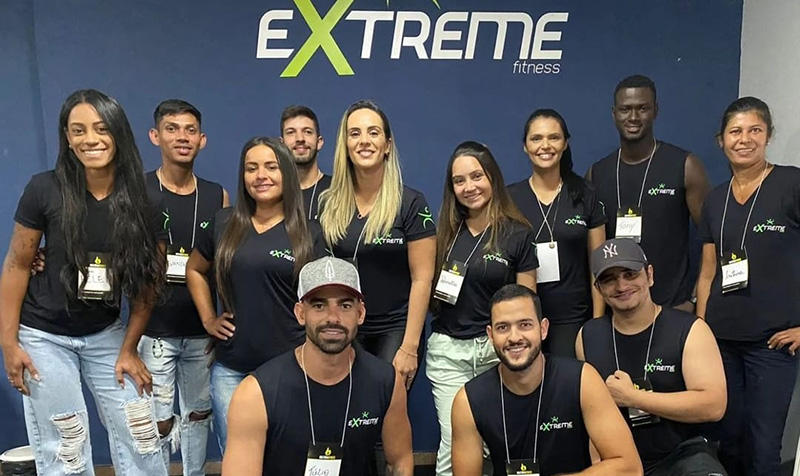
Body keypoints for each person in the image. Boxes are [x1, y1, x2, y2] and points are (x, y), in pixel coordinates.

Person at [0, 89, 168, 476]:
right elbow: (17, 264)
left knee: (141, 431)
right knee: (67, 443)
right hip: (43, 335)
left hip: (106, 332)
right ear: (66, 137)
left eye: (100, 128)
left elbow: (147, 287)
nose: (89, 139)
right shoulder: (45, 188)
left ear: (119, 133)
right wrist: (9, 343)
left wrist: (128, 349)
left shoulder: (146, 200)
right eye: (78, 130)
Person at [186, 136, 321, 452]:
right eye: (251, 168)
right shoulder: (223, 223)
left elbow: (321, 298)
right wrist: (208, 318)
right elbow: (194, 269)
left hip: (293, 369)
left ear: (286, 173)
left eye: (271, 167)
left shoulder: (310, 232)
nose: (261, 176)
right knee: (237, 458)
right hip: (232, 369)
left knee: (290, 457)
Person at [222, 256, 413, 475]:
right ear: (300, 313)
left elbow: (400, 462)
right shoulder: (255, 394)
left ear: (360, 313)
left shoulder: (386, 382)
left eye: (345, 305)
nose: (333, 317)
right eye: (319, 305)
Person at [696, 97, 800, 476]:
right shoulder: (715, 199)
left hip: (772, 346)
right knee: (729, 446)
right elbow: (708, 272)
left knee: (763, 452)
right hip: (722, 343)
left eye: (755, 130)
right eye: (735, 131)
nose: (745, 139)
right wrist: (701, 331)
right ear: (720, 140)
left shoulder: (791, 183)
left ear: (768, 135)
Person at [427, 141, 538, 476]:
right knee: (454, 445)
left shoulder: (518, 234)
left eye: (476, 176)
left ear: (492, 177)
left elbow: (526, 303)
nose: (469, 186)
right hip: (449, 354)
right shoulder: (443, 233)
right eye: (459, 180)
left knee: (505, 443)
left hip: (498, 352)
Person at [452, 284, 642, 476]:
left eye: (525, 325)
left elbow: (629, 468)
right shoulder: (468, 400)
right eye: (503, 328)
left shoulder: (582, 380)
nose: (514, 337)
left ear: (543, 329)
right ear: (491, 335)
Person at [578, 238, 727, 476]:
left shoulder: (690, 329)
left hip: (684, 454)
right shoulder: (588, 336)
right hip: (622, 460)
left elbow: (713, 405)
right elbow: (591, 417)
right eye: (609, 279)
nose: (621, 285)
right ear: (598, 289)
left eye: (630, 274)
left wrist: (634, 397)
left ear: (649, 275)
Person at [139, 99, 230, 476]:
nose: (182, 137)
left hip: (200, 333)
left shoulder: (217, 195)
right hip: (154, 330)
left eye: (190, 130)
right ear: (155, 136)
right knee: (157, 421)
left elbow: (224, 265)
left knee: (198, 416)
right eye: (172, 128)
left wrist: (218, 319)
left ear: (202, 140)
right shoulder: (139, 191)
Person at [318, 100, 436, 388]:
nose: (364, 141)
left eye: (373, 132)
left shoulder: (410, 202)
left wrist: (409, 346)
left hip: (395, 329)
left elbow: (423, 278)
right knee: (345, 415)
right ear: (345, 144)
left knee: (386, 417)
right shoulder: (329, 203)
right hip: (344, 328)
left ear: (387, 144)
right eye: (355, 133)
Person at [587, 75, 710, 310]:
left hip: (673, 308)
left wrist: (694, 299)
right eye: (625, 109)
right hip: (618, 311)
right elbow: (593, 252)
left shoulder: (685, 165)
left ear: (655, 111)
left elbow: (713, 239)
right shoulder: (597, 174)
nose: (633, 117)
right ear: (614, 113)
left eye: (642, 108)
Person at [508, 108, 607, 357]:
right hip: (524, 323)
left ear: (565, 144)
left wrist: (596, 323)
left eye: (554, 137)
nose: (545, 145)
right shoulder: (509, 199)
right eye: (536, 138)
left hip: (575, 320)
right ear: (525, 146)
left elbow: (599, 265)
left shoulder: (585, 193)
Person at [280, 105, 331, 220]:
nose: (300, 138)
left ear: (319, 142)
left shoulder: (338, 190)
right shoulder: (271, 194)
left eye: (307, 132)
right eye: (291, 132)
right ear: (281, 144)